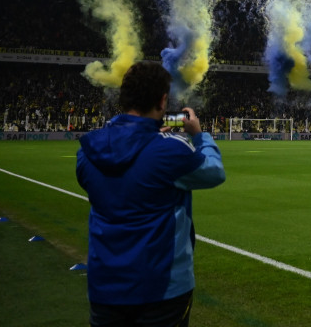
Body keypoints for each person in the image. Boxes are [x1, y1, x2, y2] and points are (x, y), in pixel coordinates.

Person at [76, 62, 226, 327]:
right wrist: (199, 136)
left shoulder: (88, 150)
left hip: (105, 285)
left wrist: (143, 137)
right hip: (161, 287)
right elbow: (214, 173)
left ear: (124, 99)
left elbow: (119, 180)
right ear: (163, 100)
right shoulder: (170, 150)